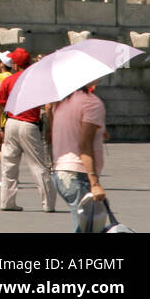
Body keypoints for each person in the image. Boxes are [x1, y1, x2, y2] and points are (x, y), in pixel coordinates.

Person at [0, 47, 56, 213]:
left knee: (9, 165)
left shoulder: (9, 81)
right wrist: (50, 128)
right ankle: (48, 203)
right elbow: (47, 106)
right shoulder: (37, 81)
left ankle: (7, 201)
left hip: (11, 123)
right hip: (29, 125)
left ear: (15, 65)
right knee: (38, 165)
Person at [50, 85, 108, 233]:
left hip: (61, 172)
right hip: (78, 173)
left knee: (86, 227)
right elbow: (84, 145)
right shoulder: (92, 103)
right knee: (88, 228)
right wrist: (94, 183)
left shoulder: (61, 103)